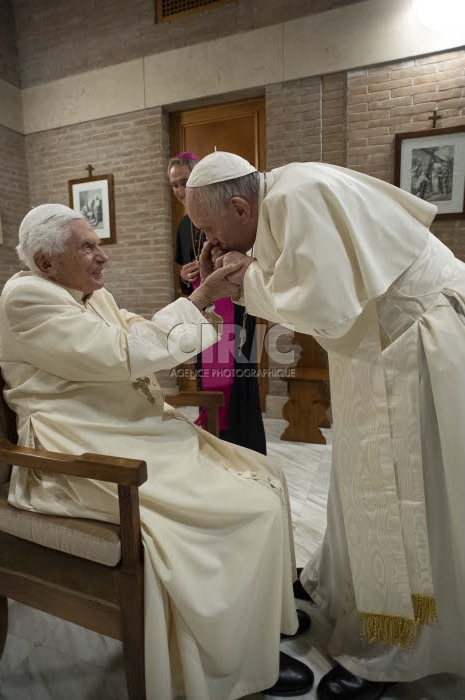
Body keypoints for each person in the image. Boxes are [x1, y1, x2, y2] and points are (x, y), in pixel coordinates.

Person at [0, 204, 314, 700]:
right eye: (87, 247)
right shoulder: (27, 299)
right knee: (241, 508)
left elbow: (136, 330)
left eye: (97, 242)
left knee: (265, 473)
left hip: (125, 429)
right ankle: (226, 663)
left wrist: (199, 297)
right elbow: (121, 354)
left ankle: (255, 625)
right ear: (44, 262)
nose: (103, 257)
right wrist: (204, 295)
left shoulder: (84, 291)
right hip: (81, 449)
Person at [185, 152, 465, 700]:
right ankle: (347, 595)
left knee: (403, 495)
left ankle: (395, 647)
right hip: (380, 348)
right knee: (363, 486)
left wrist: (241, 285)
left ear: (241, 205)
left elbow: (326, 304)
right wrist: (241, 267)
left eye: (209, 227)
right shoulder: (282, 196)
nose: (208, 240)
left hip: (410, 348)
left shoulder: (296, 197)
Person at [168, 153, 266, 454]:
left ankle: (245, 447)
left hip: (236, 308)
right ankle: (214, 437)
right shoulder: (186, 225)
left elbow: (253, 260)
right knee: (207, 376)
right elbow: (183, 269)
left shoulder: (230, 211)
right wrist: (186, 276)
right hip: (205, 310)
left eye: (185, 181)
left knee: (241, 378)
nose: (181, 190)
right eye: (174, 185)